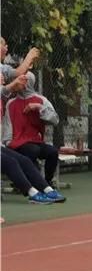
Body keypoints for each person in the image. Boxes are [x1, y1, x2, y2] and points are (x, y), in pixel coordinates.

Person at [0, 73, 65, 204]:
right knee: (14, 160)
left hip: (34, 140)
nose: (3, 77)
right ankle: (32, 192)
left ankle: (46, 187)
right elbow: (7, 125)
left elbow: (54, 119)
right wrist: (7, 141)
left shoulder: (40, 99)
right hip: (17, 141)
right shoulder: (10, 103)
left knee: (28, 158)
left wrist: (39, 107)